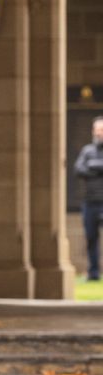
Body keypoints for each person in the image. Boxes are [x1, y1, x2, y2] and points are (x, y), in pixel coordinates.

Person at [74, 117, 103, 281]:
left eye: (102, 129)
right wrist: (97, 168)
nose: (100, 132)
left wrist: (93, 166)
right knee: (91, 239)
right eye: (97, 129)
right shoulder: (87, 151)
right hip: (90, 203)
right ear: (93, 131)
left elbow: (88, 168)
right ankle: (93, 273)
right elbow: (78, 169)